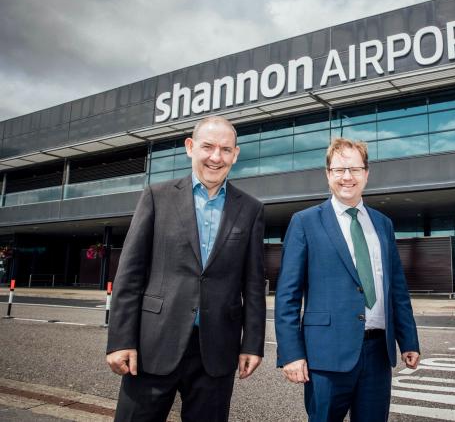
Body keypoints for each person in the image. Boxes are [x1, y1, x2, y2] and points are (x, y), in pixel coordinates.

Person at [106, 116, 266, 422]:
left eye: (225, 149)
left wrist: (252, 343)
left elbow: (254, 284)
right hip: (153, 345)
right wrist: (121, 340)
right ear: (190, 147)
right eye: (208, 147)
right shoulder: (157, 196)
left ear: (236, 154)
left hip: (217, 350)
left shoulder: (251, 209)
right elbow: (130, 274)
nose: (216, 157)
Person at [275, 137, 420, 422]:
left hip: (378, 353)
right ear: (328, 174)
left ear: (366, 173)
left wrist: (409, 340)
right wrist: (291, 353)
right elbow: (287, 295)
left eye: (354, 169)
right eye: (339, 170)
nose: (347, 177)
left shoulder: (383, 223)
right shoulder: (304, 222)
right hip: (326, 355)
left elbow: (397, 290)